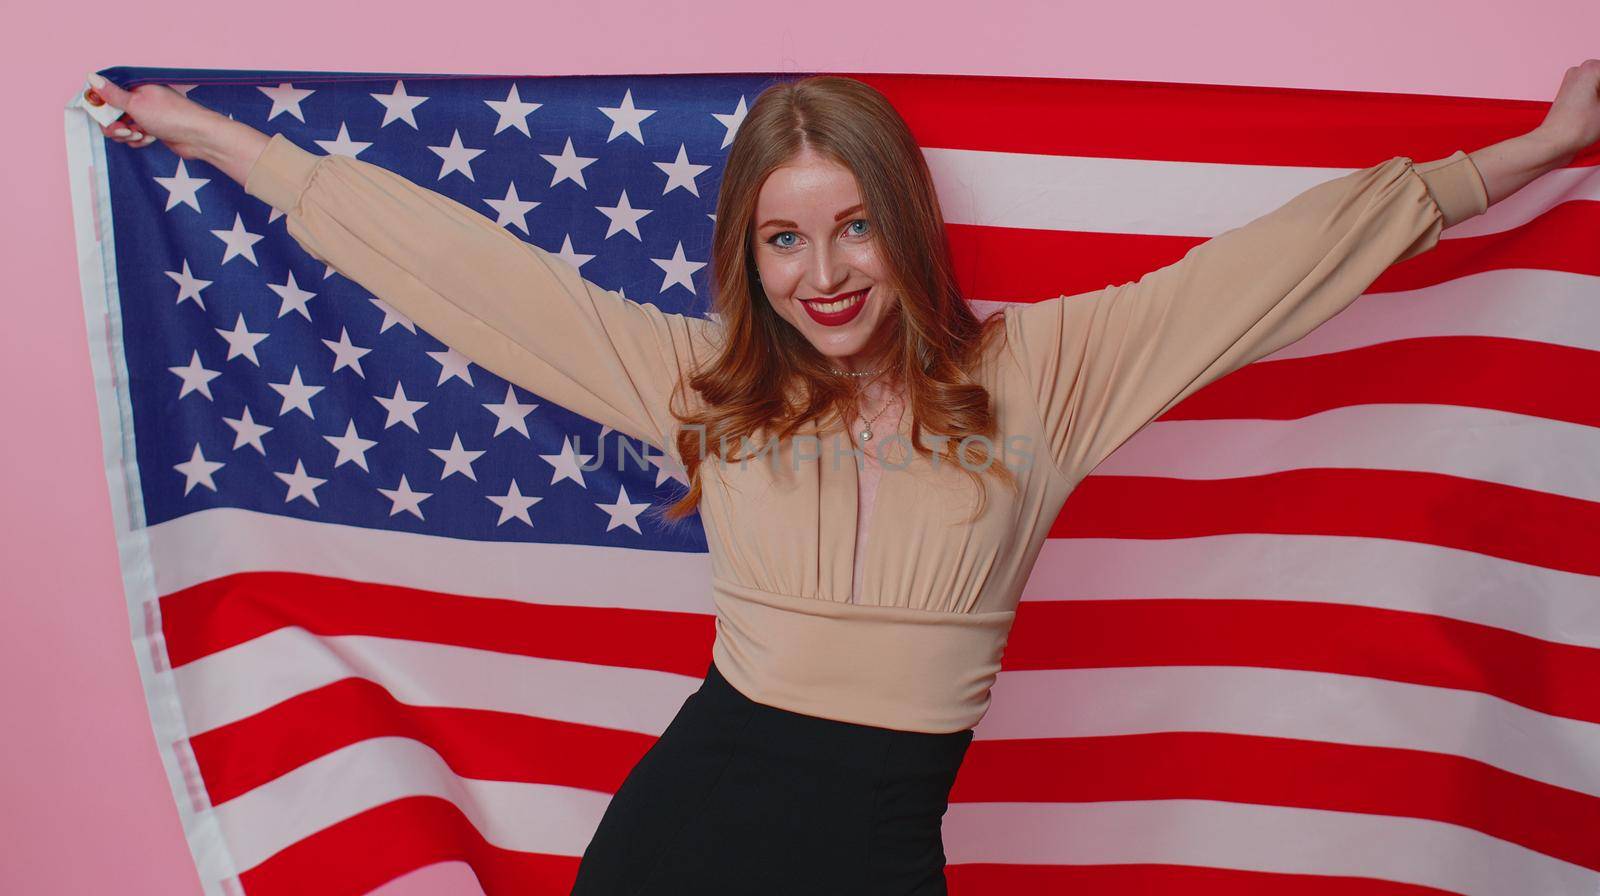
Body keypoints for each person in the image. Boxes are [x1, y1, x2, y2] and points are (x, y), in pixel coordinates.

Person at [83, 65, 1596, 895]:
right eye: (783, 239)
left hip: (870, 848)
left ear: (906, 227)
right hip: (679, 838)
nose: (823, 273)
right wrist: (222, 141)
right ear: (748, 251)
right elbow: (464, 273)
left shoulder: (1047, 376)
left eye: (853, 227)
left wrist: (1531, 153)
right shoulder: (702, 390)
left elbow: (1280, 268)